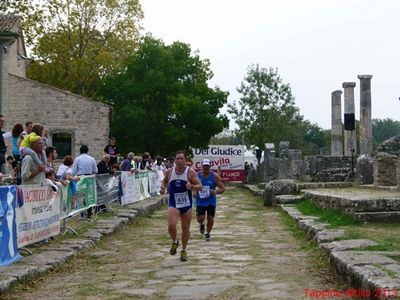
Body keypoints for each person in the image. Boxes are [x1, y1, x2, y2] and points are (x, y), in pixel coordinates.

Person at [160, 150, 202, 262]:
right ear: (175, 160)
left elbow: (200, 186)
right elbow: (164, 181)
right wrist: (162, 188)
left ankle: (184, 250)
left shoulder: (191, 172)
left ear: (185, 160)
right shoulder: (169, 172)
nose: (179, 161)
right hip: (174, 203)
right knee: (171, 224)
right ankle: (174, 241)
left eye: (181, 158)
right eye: (177, 158)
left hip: (186, 204)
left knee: (185, 228)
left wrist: (192, 186)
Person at [195, 159, 225, 241]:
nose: (206, 167)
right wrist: (194, 192)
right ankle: (201, 224)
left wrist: (215, 191)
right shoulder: (197, 176)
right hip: (200, 200)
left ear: (209, 166)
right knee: (200, 218)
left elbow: (222, 188)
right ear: (201, 166)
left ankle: (207, 233)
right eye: (204, 166)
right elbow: (192, 186)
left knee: (210, 218)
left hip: (211, 200)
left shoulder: (214, 176)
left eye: (207, 166)